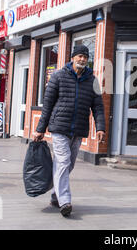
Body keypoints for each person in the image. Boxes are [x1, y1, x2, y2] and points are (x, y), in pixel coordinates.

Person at [33, 44, 105, 217]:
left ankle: (55, 195)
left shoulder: (92, 80)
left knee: (68, 164)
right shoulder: (58, 76)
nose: (82, 59)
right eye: (79, 56)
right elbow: (48, 104)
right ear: (72, 57)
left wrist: (101, 127)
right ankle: (65, 200)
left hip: (79, 129)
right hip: (59, 127)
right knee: (63, 161)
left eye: (85, 57)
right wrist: (39, 129)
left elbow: (98, 107)